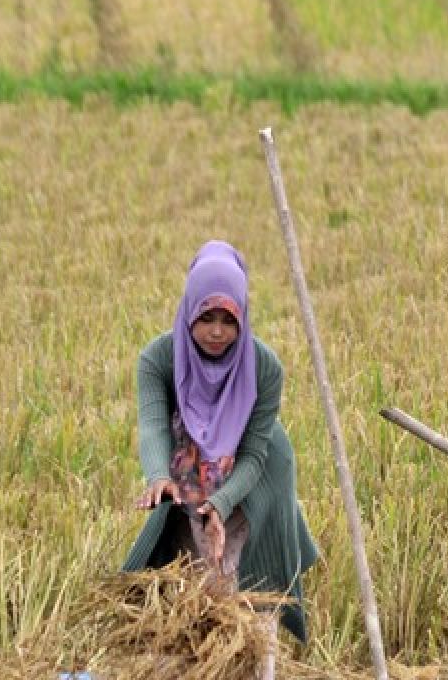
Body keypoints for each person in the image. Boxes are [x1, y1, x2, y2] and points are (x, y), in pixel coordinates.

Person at [122, 240, 319, 642]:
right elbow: (153, 424)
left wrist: (222, 502)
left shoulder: (264, 368)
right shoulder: (159, 358)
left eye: (228, 320)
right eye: (206, 317)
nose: (216, 332)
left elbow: (254, 453)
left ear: (243, 318)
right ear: (189, 310)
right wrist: (158, 475)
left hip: (253, 480)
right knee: (189, 595)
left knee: (250, 597)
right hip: (188, 476)